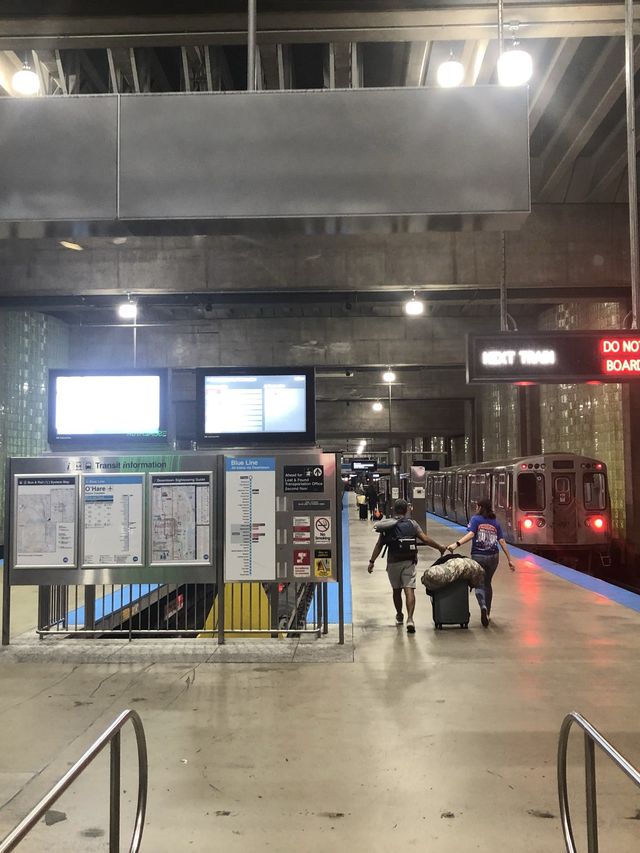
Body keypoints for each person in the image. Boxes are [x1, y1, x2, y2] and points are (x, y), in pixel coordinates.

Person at [368, 498, 446, 633]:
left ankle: (399, 615)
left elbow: (379, 545)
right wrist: (439, 547)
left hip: (393, 562)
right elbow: (425, 539)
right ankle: (410, 619)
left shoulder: (388, 525)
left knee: (396, 590)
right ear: (407, 510)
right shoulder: (412, 524)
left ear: (393, 509)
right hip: (409, 561)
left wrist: (372, 562)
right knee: (409, 589)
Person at [446, 498, 515, 627]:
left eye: (477, 506)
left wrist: (456, 544)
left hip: (478, 555)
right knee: (488, 583)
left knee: (478, 583)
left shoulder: (475, 520)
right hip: (493, 556)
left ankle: (482, 605)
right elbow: (502, 541)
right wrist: (510, 560)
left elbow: (471, 534)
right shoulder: (495, 522)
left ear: (480, 507)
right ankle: (487, 613)